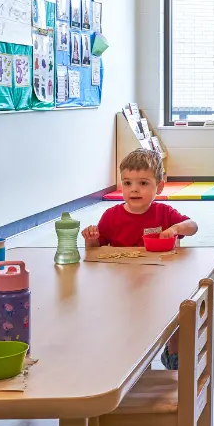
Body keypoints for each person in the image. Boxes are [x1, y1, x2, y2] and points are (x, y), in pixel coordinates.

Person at [82, 149, 196, 370]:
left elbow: (193, 226)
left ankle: (173, 352)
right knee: (126, 324)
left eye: (143, 183)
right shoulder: (111, 216)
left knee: (178, 310)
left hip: (159, 281)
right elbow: (96, 252)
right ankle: (132, 364)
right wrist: (91, 239)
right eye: (127, 183)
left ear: (159, 187)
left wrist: (174, 229)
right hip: (122, 286)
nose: (134, 189)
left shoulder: (163, 212)